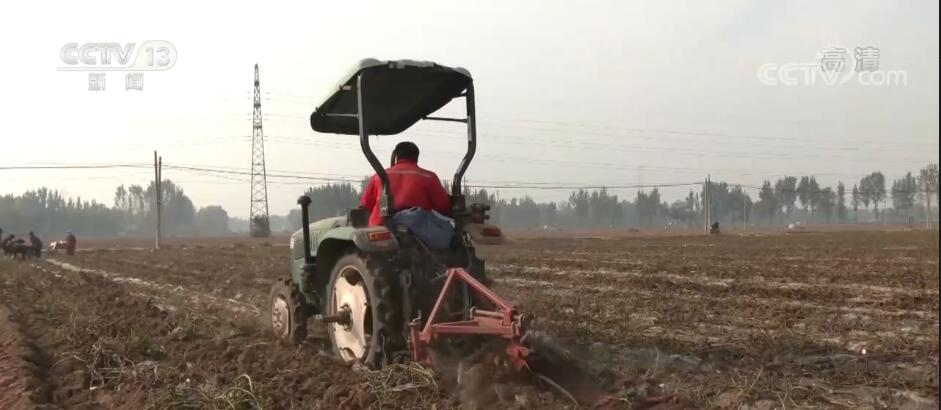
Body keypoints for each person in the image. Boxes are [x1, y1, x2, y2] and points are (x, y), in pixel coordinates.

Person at [360, 141, 451, 227]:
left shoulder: (378, 176)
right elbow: (443, 206)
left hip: (380, 229)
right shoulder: (428, 177)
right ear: (417, 157)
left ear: (396, 156)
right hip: (417, 231)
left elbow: (366, 204)